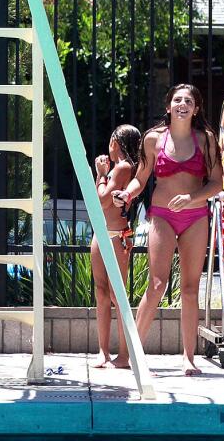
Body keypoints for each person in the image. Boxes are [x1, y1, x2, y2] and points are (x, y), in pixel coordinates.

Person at [114, 84, 223, 375]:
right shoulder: (153, 139)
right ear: (168, 106)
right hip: (162, 215)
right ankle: (131, 353)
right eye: (177, 100)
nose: (182, 104)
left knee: (189, 289)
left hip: (195, 216)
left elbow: (217, 183)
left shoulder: (206, 140)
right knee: (158, 283)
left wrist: (191, 198)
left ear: (196, 109)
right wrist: (128, 194)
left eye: (188, 100)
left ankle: (189, 358)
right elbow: (141, 178)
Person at [90, 124, 141, 369]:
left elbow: (101, 201)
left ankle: (123, 354)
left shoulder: (123, 167)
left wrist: (100, 174)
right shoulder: (117, 169)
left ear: (116, 142)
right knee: (101, 293)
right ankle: (103, 351)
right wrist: (101, 176)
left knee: (116, 295)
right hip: (102, 234)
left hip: (115, 235)